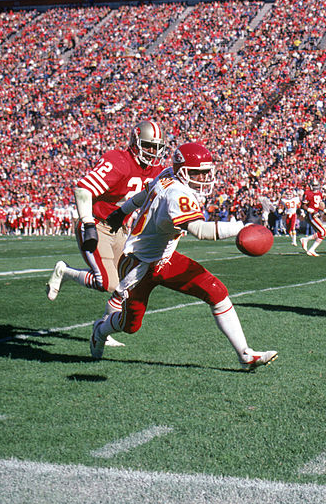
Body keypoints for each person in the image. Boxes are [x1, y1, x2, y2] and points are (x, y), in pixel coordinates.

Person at [89, 141, 277, 370]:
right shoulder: (177, 193)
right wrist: (241, 227)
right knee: (129, 326)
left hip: (165, 258)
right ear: (181, 170)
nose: (203, 177)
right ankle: (100, 330)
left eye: (206, 172)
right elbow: (200, 230)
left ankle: (245, 354)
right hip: (138, 265)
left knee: (216, 291)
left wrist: (123, 211)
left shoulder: (168, 174)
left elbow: (144, 193)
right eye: (197, 172)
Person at [46, 120, 166, 303]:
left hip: (120, 228)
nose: (152, 152)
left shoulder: (156, 170)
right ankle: (65, 271)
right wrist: (88, 223)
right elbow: (83, 189)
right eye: (148, 146)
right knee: (108, 283)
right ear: (135, 142)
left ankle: (103, 329)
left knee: (126, 282)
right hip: (97, 222)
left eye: (156, 147)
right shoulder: (119, 161)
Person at [299, 184, 326, 257]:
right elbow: (303, 205)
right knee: (323, 232)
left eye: (317, 185)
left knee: (322, 233)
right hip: (311, 215)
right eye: (314, 185)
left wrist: (324, 210)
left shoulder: (320, 193)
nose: (315, 187)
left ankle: (311, 249)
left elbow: (317, 205)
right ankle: (306, 241)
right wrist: (308, 209)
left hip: (315, 214)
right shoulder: (308, 193)